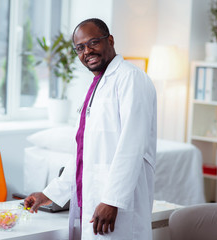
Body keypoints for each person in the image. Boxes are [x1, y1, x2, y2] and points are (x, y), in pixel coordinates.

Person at [24, 18, 157, 240]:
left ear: (110, 40)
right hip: (97, 200)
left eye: (93, 42)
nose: (87, 51)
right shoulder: (98, 85)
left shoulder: (131, 78)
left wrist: (113, 200)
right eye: (80, 47)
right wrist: (49, 194)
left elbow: (132, 146)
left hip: (117, 206)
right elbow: (83, 153)